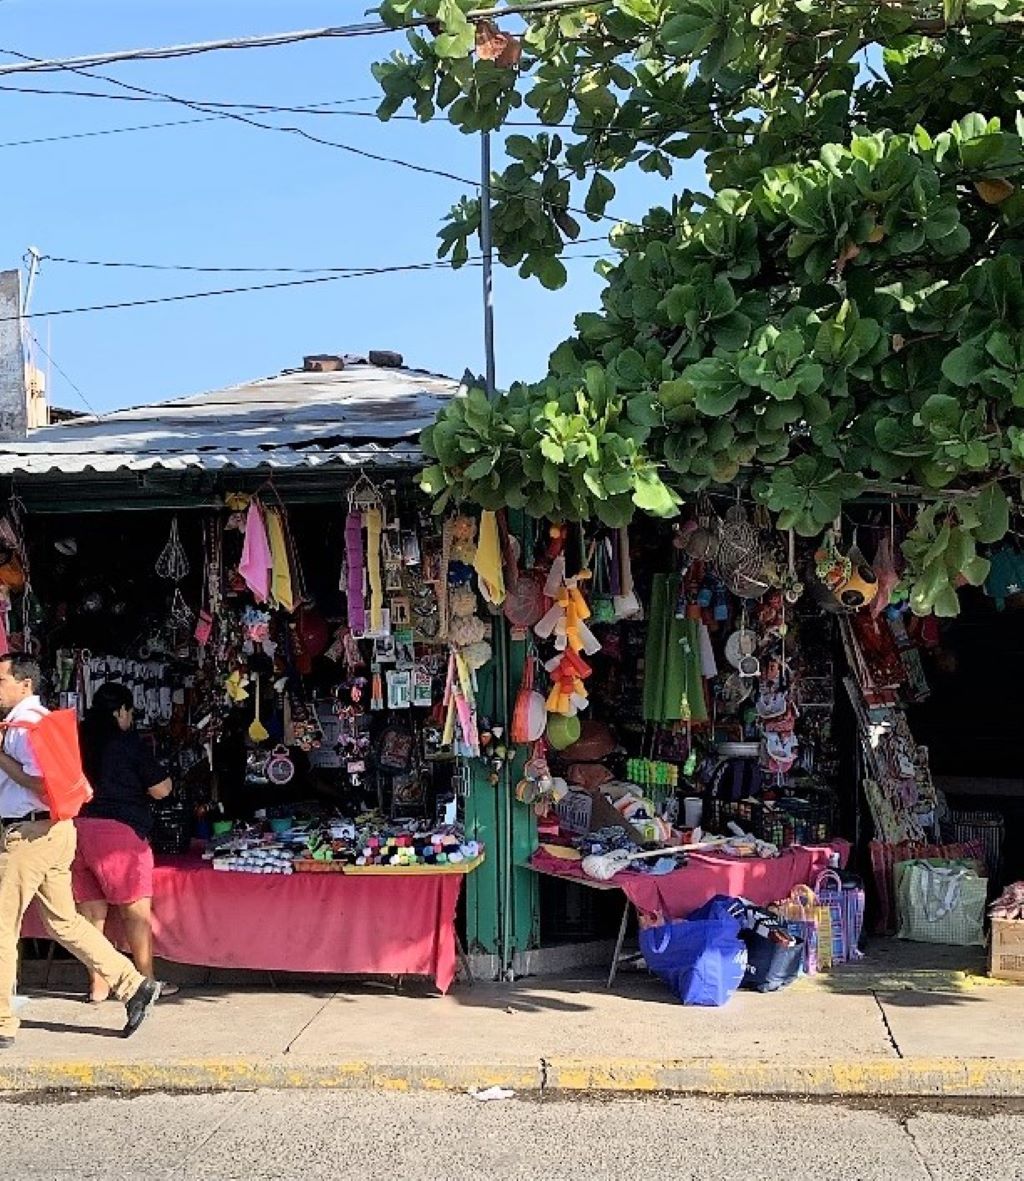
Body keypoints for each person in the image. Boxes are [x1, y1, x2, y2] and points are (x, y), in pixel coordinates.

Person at [0, 655, 160, 1046]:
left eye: (1, 680)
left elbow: (41, 784)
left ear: (24, 685)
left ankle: (2, 1022)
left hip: (31, 835)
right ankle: (132, 984)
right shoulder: (37, 722)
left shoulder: (24, 728)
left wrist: (1, 757)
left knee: (3, 927)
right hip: (56, 830)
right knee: (63, 922)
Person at [75, 682, 178, 1003]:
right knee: (136, 913)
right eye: (129, 712)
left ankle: (98, 985)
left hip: (78, 829)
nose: (130, 718)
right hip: (119, 834)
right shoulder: (128, 743)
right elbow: (161, 790)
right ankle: (144, 983)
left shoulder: (79, 741)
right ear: (120, 711)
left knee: (91, 916)